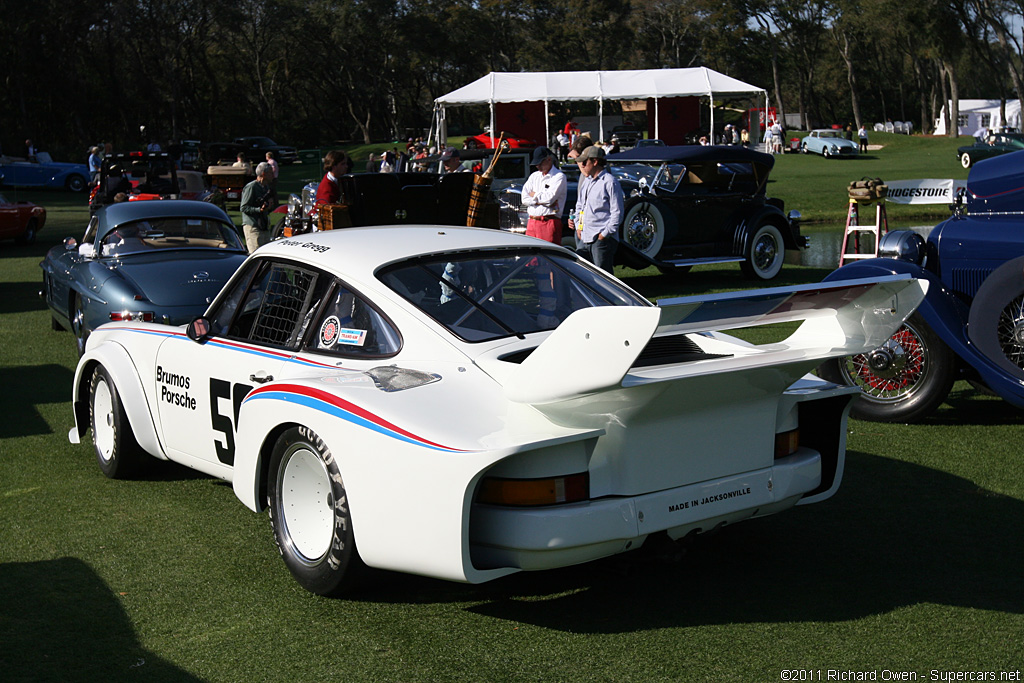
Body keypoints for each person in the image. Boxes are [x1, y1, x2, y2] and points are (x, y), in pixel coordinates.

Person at [567, 145, 622, 272]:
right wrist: (579, 226)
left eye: (585, 162)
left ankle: (608, 293)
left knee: (604, 277)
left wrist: (604, 234)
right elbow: (580, 206)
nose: (582, 165)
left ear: (595, 161)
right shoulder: (587, 182)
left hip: (601, 238)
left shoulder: (610, 182)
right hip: (585, 236)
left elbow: (617, 213)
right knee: (584, 274)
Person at [521, 147, 567, 245]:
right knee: (531, 257)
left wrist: (533, 196)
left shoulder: (559, 177)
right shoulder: (534, 176)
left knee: (548, 256)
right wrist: (540, 199)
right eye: (536, 164)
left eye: (540, 163)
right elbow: (524, 198)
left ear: (549, 159)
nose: (538, 166)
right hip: (532, 222)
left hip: (548, 222)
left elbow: (549, 199)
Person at [240, 162, 273, 253]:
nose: (273, 175)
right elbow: (244, 208)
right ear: (263, 174)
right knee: (256, 255)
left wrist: (269, 206)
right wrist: (259, 210)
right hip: (253, 227)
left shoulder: (266, 187)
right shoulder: (251, 187)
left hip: (263, 226)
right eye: (270, 173)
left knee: (266, 255)